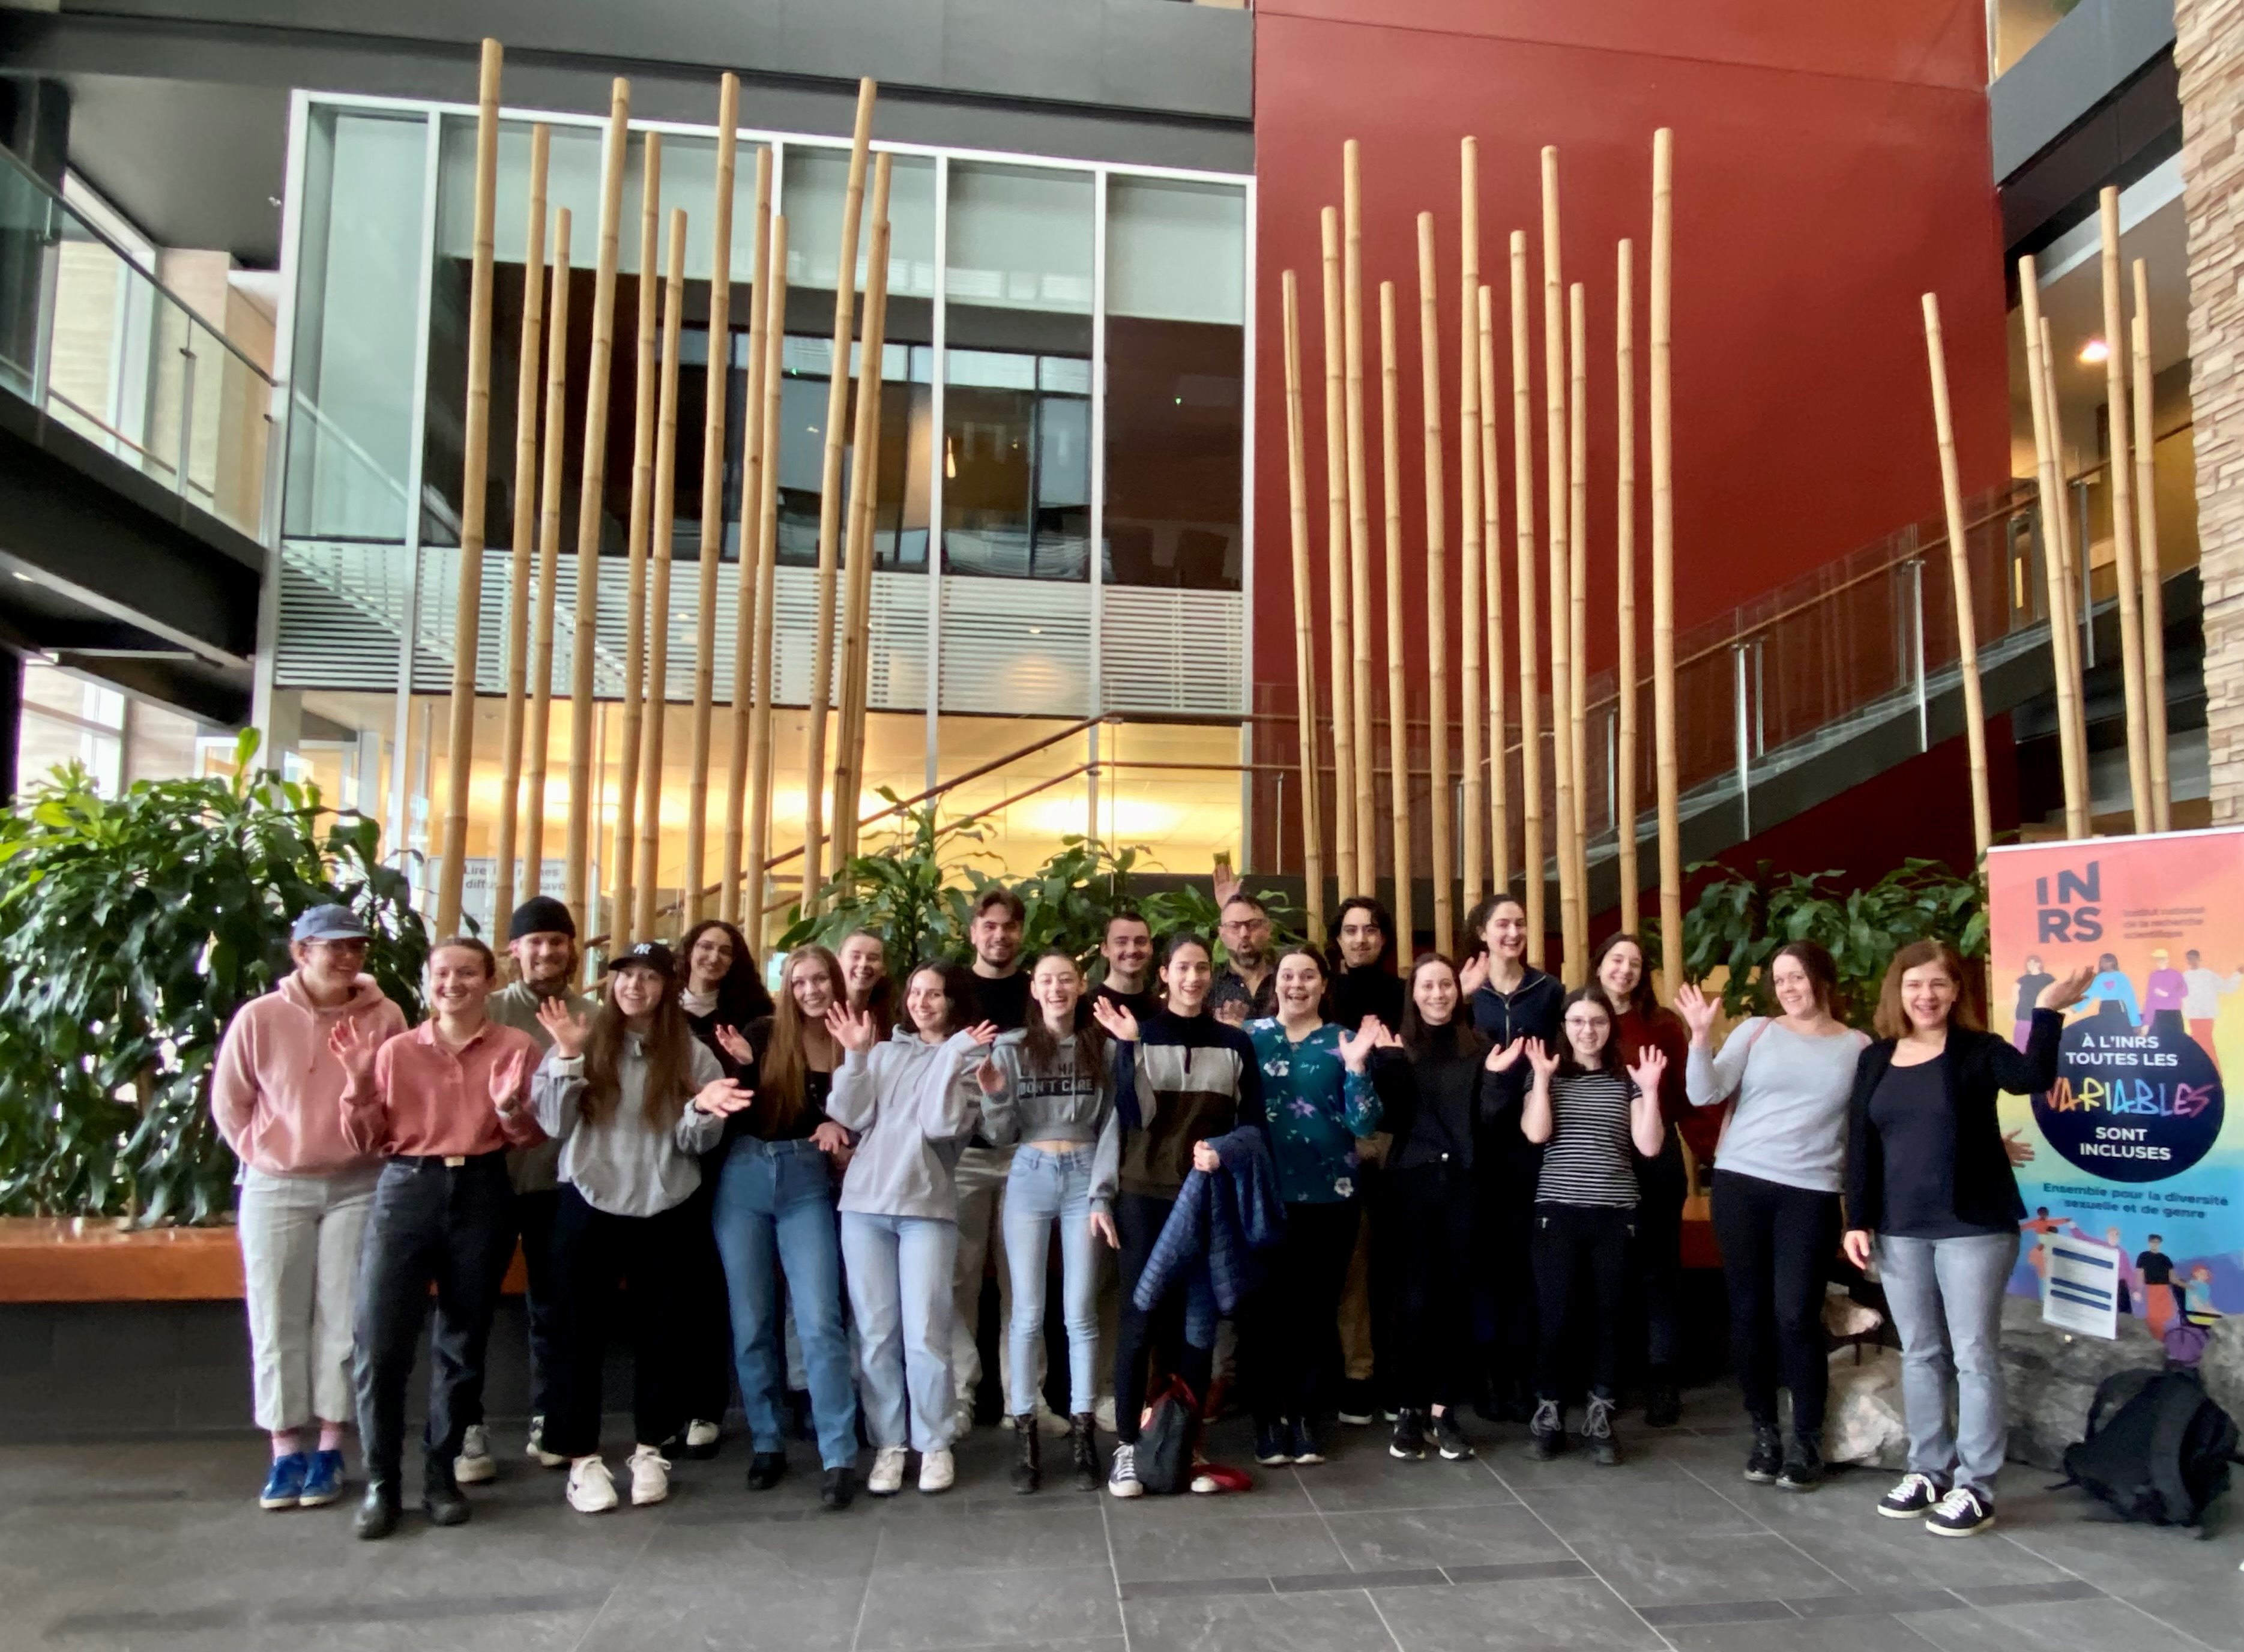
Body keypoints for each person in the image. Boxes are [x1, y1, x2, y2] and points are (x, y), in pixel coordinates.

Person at [1842, 942, 2087, 1539]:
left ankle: (1976, 1485)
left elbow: (2033, 1076)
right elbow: (1862, 1145)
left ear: (1956, 992)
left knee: (1974, 1355)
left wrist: (2048, 1012)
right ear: (1897, 992)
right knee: (1921, 1352)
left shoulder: (1979, 1052)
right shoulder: (1875, 1059)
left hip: (1973, 1227)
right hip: (1900, 1231)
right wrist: (1857, 1219)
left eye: (1938, 984)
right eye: (1914, 985)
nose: (1926, 995)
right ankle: (1928, 1469)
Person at [528, 941, 752, 1515]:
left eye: (649, 978)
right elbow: (552, 1123)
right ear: (611, 984)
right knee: (576, 1333)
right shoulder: (580, 1037)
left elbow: (694, 1143)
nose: (635, 987)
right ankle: (581, 1459)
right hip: (588, 1198)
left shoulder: (692, 1054)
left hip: (666, 1205)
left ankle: (652, 1447)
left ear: (667, 989)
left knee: (665, 1332)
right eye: (626, 976)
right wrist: (568, 1059)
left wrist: (703, 1110)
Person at [333, 936, 543, 1539]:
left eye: (467, 974)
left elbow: (528, 1135)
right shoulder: (396, 1051)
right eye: (443, 974)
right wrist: (357, 1081)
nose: (454, 984)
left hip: (482, 1191)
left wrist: (507, 1109)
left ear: (489, 979)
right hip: (407, 1190)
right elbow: (366, 1139)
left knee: (462, 1341)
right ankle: (381, 1483)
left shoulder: (516, 1047)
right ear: (429, 982)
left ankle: (440, 1474)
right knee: (381, 1341)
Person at [211, 903, 407, 1512]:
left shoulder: (387, 1015)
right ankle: (283, 1448)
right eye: (333, 947)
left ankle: (330, 1443)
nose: (347, 957)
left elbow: (399, 1094)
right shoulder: (260, 1017)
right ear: (301, 952)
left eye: (356, 947)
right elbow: (231, 1101)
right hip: (276, 1187)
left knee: (345, 1318)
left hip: (358, 1182)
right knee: (276, 1313)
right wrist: (266, 1153)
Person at [1677, 941, 1865, 1492]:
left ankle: (1806, 1438)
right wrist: (1698, 1038)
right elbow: (1704, 1089)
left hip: (1810, 1194)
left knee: (1797, 1315)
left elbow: (1868, 1132)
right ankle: (1764, 1431)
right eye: (1780, 979)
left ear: (1822, 978)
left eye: (1798, 976)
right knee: (1749, 1312)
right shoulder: (1756, 1031)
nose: (1788, 988)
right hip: (1741, 1185)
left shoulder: (1858, 1047)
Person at [1091, 932, 1265, 1497]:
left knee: (1198, 1322)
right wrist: (1128, 1050)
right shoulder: (1141, 1034)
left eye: (1201, 969)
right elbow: (1130, 1118)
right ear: (1164, 975)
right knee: (1141, 1320)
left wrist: (1225, 1152)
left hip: (1207, 1196)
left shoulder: (1235, 1046)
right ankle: (1126, 1446)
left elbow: (1255, 1128)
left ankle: (1187, 1446)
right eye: (1182, 968)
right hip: (1145, 1194)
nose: (1193, 978)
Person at [827, 965, 998, 1496]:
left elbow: (941, 1126)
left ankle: (935, 1442)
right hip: (864, 1208)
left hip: (927, 1209)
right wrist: (856, 1055)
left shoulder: (970, 1059)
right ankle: (889, 1444)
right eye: (917, 993)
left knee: (927, 1331)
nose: (923, 1002)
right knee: (877, 1334)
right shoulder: (882, 1053)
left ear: (953, 1003)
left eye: (936, 995)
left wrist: (949, 1056)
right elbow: (848, 1113)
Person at [708, 945, 860, 1507]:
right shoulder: (765, 1033)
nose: (812, 991)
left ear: (836, 982)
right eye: (800, 983)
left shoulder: (852, 1038)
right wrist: (744, 1065)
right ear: (788, 989)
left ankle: (838, 1452)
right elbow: (742, 1109)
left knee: (821, 1318)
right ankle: (767, 1442)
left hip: (807, 1181)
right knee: (752, 1320)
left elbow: (865, 1110)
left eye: (821, 979)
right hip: (747, 1175)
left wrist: (839, 1127)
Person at [1507, 989, 1668, 1466]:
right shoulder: (1550, 1077)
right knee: (1555, 1317)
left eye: (1596, 1021)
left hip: (1615, 1213)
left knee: (1609, 1317)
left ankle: (1600, 1414)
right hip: (1556, 1211)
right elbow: (1536, 1134)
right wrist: (1539, 1079)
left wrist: (1654, 1090)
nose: (1587, 1030)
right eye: (1577, 1021)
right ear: (1565, 1026)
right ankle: (1549, 1413)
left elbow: (1650, 1146)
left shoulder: (1627, 1079)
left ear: (1609, 1027)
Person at [979, 950, 1118, 1492]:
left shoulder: (1101, 1045)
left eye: (1066, 979)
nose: (1057, 988)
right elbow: (999, 1134)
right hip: (1030, 1170)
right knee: (1026, 1313)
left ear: (1081, 985)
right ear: (1033, 990)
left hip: (1085, 1172)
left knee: (1080, 1309)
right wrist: (993, 1097)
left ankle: (1084, 1434)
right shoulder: (1012, 1049)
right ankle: (1026, 1432)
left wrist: (1102, 1193)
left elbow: (1113, 1125)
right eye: (1046, 981)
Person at [1239, 947, 1383, 1467]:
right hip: (1262, 1194)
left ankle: (1303, 1418)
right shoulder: (1250, 1038)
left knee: (1317, 1312)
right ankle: (1267, 1420)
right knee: (1265, 1313)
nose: (1296, 984)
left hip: (1331, 1196)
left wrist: (1359, 1067)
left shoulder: (1344, 1040)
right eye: (1288, 975)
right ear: (1274, 983)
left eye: (1308, 976)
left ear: (1324, 984)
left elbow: (1365, 1125)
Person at [480, 894, 597, 1477]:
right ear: (515, 949)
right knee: (470, 1303)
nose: (548, 950)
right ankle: (467, 1427)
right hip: (491, 1180)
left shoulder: (593, 1015)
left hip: (561, 1183)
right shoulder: (488, 1009)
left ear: (572, 948)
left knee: (556, 1306)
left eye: (558, 940)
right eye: (536, 941)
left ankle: (550, 1418)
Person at [1379, 954, 1506, 1463]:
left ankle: (1442, 1409)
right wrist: (1386, 1065)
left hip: (1464, 1185)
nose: (1437, 994)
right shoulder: (1399, 1048)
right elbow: (1389, 1119)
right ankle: (1408, 1409)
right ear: (1414, 993)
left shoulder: (1481, 1049)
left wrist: (1497, 1080)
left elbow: (1491, 1124)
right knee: (1412, 1300)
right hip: (1409, 1183)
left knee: (1454, 1299)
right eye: (1428, 985)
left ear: (1460, 991)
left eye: (1446, 985)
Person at [669, 918, 774, 1462]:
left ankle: (706, 1408)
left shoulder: (752, 1019)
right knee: (669, 1286)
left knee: (712, 1283)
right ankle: (668, 1408)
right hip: (663, 1159)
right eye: (704, 947)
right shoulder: (659, 1010)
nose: (712, 957)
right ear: (687, 953)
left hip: (728, 1160)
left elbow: (763, 1094)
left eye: (725, 951)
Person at [1463, 894, 1564, 1419]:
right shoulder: (1464, 994)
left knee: (1525, 1262)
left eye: (1521, 923)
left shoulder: (1548, 992)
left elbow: (1558, 1062)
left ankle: (1524, 1374)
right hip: (1472, 1142)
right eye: (1502, 923)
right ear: (1482, 932)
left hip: (1529, 1142)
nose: (1513, 932)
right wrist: (1459, 998)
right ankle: (1486, 1374)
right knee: (1482, 1263)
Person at [1587, 933, 1691, 1429]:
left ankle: (1663, 1378)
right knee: (1604, 1269)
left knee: (1657, 1270)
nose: (1624, 970)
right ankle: (1606, 1378)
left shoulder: (1662, 1025)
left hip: (1655, 1158)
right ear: (1599, 965)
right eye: (1615, 960)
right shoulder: (1578, 1016)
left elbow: (1686, 1096)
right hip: (1597, 1159)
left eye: (1634, 963)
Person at [952, 886, 1040, 1438]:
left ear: (1020, 934)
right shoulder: (953, 991)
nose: (999, 935)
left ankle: (1023, 1402)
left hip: (1024, 1155)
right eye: (990, 925)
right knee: (957, 1282)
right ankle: (959, 1398)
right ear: (973, 932)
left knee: (1023, 1286)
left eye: (1009, 926)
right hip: (961, 1155)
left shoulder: (1038, 993)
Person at [1325, 896, 1404, 1426]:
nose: (1360, 939)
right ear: (1337, 939)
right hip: (1335, 1142)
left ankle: (1398, 1374)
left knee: (1397, 1264)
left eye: (1371, 929)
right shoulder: (1322, 992)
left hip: (1398, 1138)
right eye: (1350, 930)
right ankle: (1358, 1374)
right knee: (1350, 1265)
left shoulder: (1406, 994)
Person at [1210, 887, 1279, 1026]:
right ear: (1222, 934)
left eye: (1253, 925)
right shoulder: (1211, 986)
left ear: (1268, 929)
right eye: (1234, 926)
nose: (1244, 934)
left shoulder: (1287, 981)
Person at [1097, 911, 1159, 1020]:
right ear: (1105, 949)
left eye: (1141, 942)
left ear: (1151, 948)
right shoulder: (1085, 1007)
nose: (1132, 950)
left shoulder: (1162, 1010)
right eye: (1121, 942)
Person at [839, 928, 897, 1040]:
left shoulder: (891, 1016)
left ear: (884, 968)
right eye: (855, 957)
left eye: (872, 958)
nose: (863, 964)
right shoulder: (824, 1012)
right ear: (839, 962)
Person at [2180, 951, 2240, 1058]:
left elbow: (2227, 988)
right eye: (2190, 959)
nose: (2192, 961)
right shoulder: (2184, 977)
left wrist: (2238, 975)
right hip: (2194, 1016)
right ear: (2187, 960)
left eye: (2194, 958)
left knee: (2204, 1043)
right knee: (2199, 1043)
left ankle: (2211, 1070)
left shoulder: (2208, 975)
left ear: (2199, 959)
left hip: (2207, 1015)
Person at [2010, 956, 2052, 1051]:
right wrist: (2013, 1013)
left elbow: (2055, 995)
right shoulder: (2021, 980)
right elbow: (2015, 998)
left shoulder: (2048, 979)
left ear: (2039, 964)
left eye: (2032, 963)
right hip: (2024, 1017)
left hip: (2042, 1018)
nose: (2030, 965)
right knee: (2021, 1048)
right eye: (2028, 963)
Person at [2143, 949, 2188, 1037]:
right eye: (2157, 959)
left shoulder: (2176, 974)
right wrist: (2147, 1023)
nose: (2160, 962)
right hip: (2159, 1015)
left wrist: (2168, 994)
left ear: (2167, 960)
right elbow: (2150, 1000)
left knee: (2177, 1043)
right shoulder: (2153, 976)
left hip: (2174, 1014)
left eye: (2162, 959)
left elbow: (2184, 992)